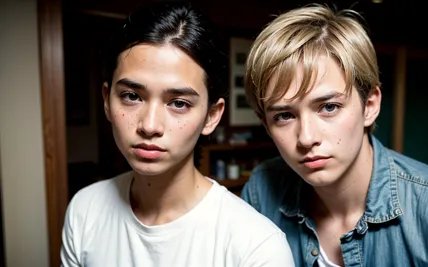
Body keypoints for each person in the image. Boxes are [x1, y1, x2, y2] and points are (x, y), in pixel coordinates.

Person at [60, 2, 294, 266]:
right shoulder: (85, 211)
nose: (149, 125)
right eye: (132, 96)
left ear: (211, 116)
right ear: (107, 100)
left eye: (179, 103)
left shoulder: (256, 246)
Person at [241, 4, 428, 267]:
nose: (306, 138)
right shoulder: (261, 191)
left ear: (370, 105)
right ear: (265, 123)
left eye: (329, 107)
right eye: (284, 116)